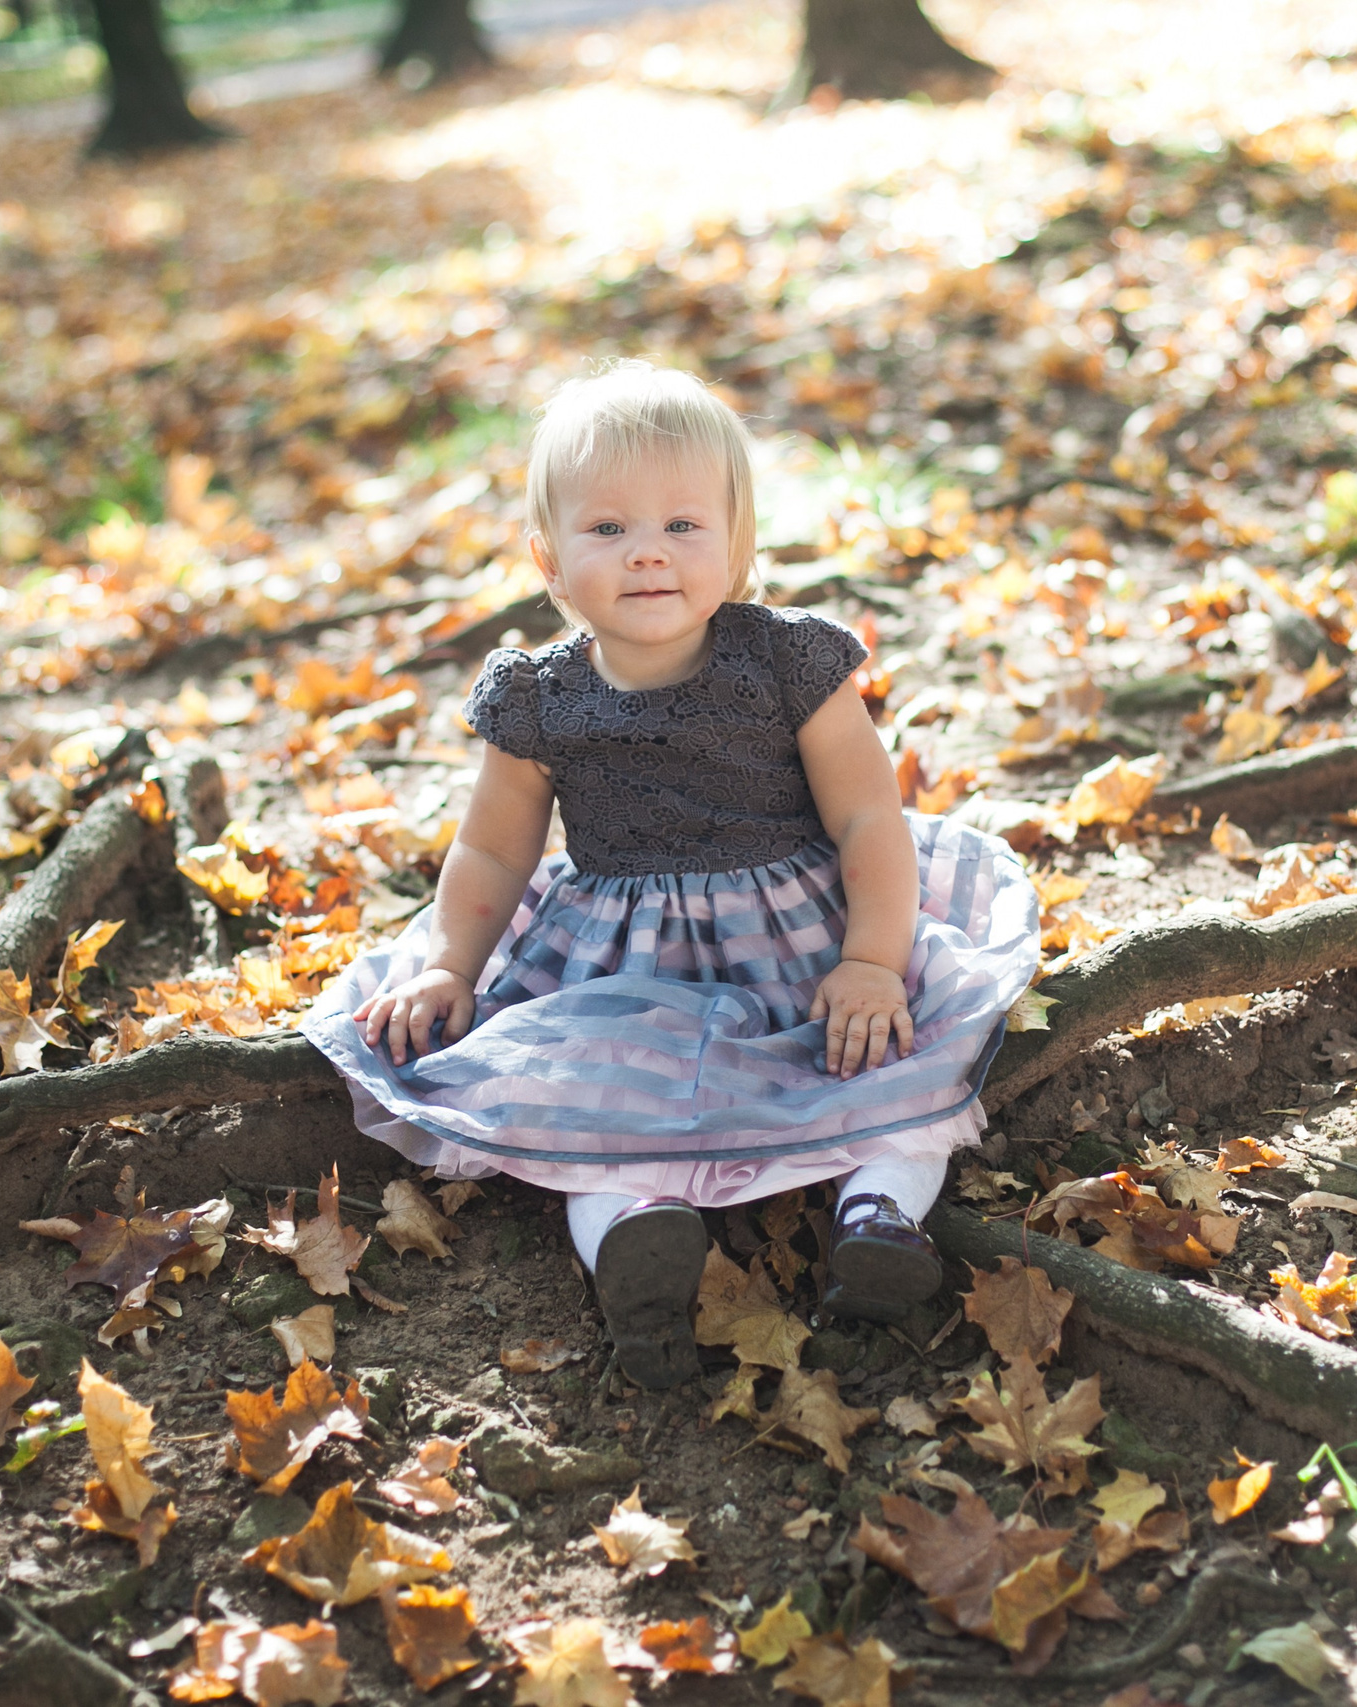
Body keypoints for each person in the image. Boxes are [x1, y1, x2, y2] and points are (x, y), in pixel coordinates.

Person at [301, 362, 1041, 1388]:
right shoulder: (538, 699)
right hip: (623, 967)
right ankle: (637, 1242)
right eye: (606, 530)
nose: (646, 551)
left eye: (682, 527)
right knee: (595, 1104)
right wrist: (448, 963)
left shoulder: (788, 664)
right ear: (548, 559)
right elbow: (492, 848)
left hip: (800, 941)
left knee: (885, 1068)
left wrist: (872, 957)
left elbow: (869, 811)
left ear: (736, 548)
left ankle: (878, 1214)